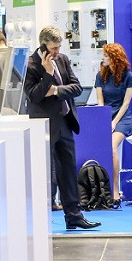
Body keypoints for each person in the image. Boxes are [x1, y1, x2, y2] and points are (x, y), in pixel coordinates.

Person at [25, 26, 100, 231]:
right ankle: (41, 220)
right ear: (43, 46)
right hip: (43, 126)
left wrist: (56, 90)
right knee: (44, 174)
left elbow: (77, 87)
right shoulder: (30, 65)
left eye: (59, 47)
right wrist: (48, 75)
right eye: (53, 48)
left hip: (65, 122)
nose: (57, 52)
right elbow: (34, 95)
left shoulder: (63, 60)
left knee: (67, 171)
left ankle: (74, 216)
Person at [95, 43, 132, 200]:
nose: (103, 58)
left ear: (114, 58)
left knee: (111, 148)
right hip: (105, 116)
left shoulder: (129, 77)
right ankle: (101, 190)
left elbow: (126, 104)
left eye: (106, 56)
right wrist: (104, 120)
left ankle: (115, 190)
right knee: (103, 150)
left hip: (122, 118)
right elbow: (100, 101)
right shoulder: (100, 76)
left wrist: (114, 122)